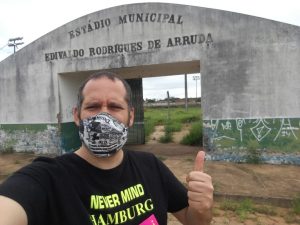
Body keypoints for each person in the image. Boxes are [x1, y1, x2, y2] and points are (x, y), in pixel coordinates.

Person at [0, 71, 213, 225]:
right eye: (93, 106)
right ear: (76, 116)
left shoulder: (151, 167)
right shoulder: (47, 178)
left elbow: (194, 221)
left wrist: (202, 207)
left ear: (130, 116)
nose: (103, 116)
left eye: (114, 107)